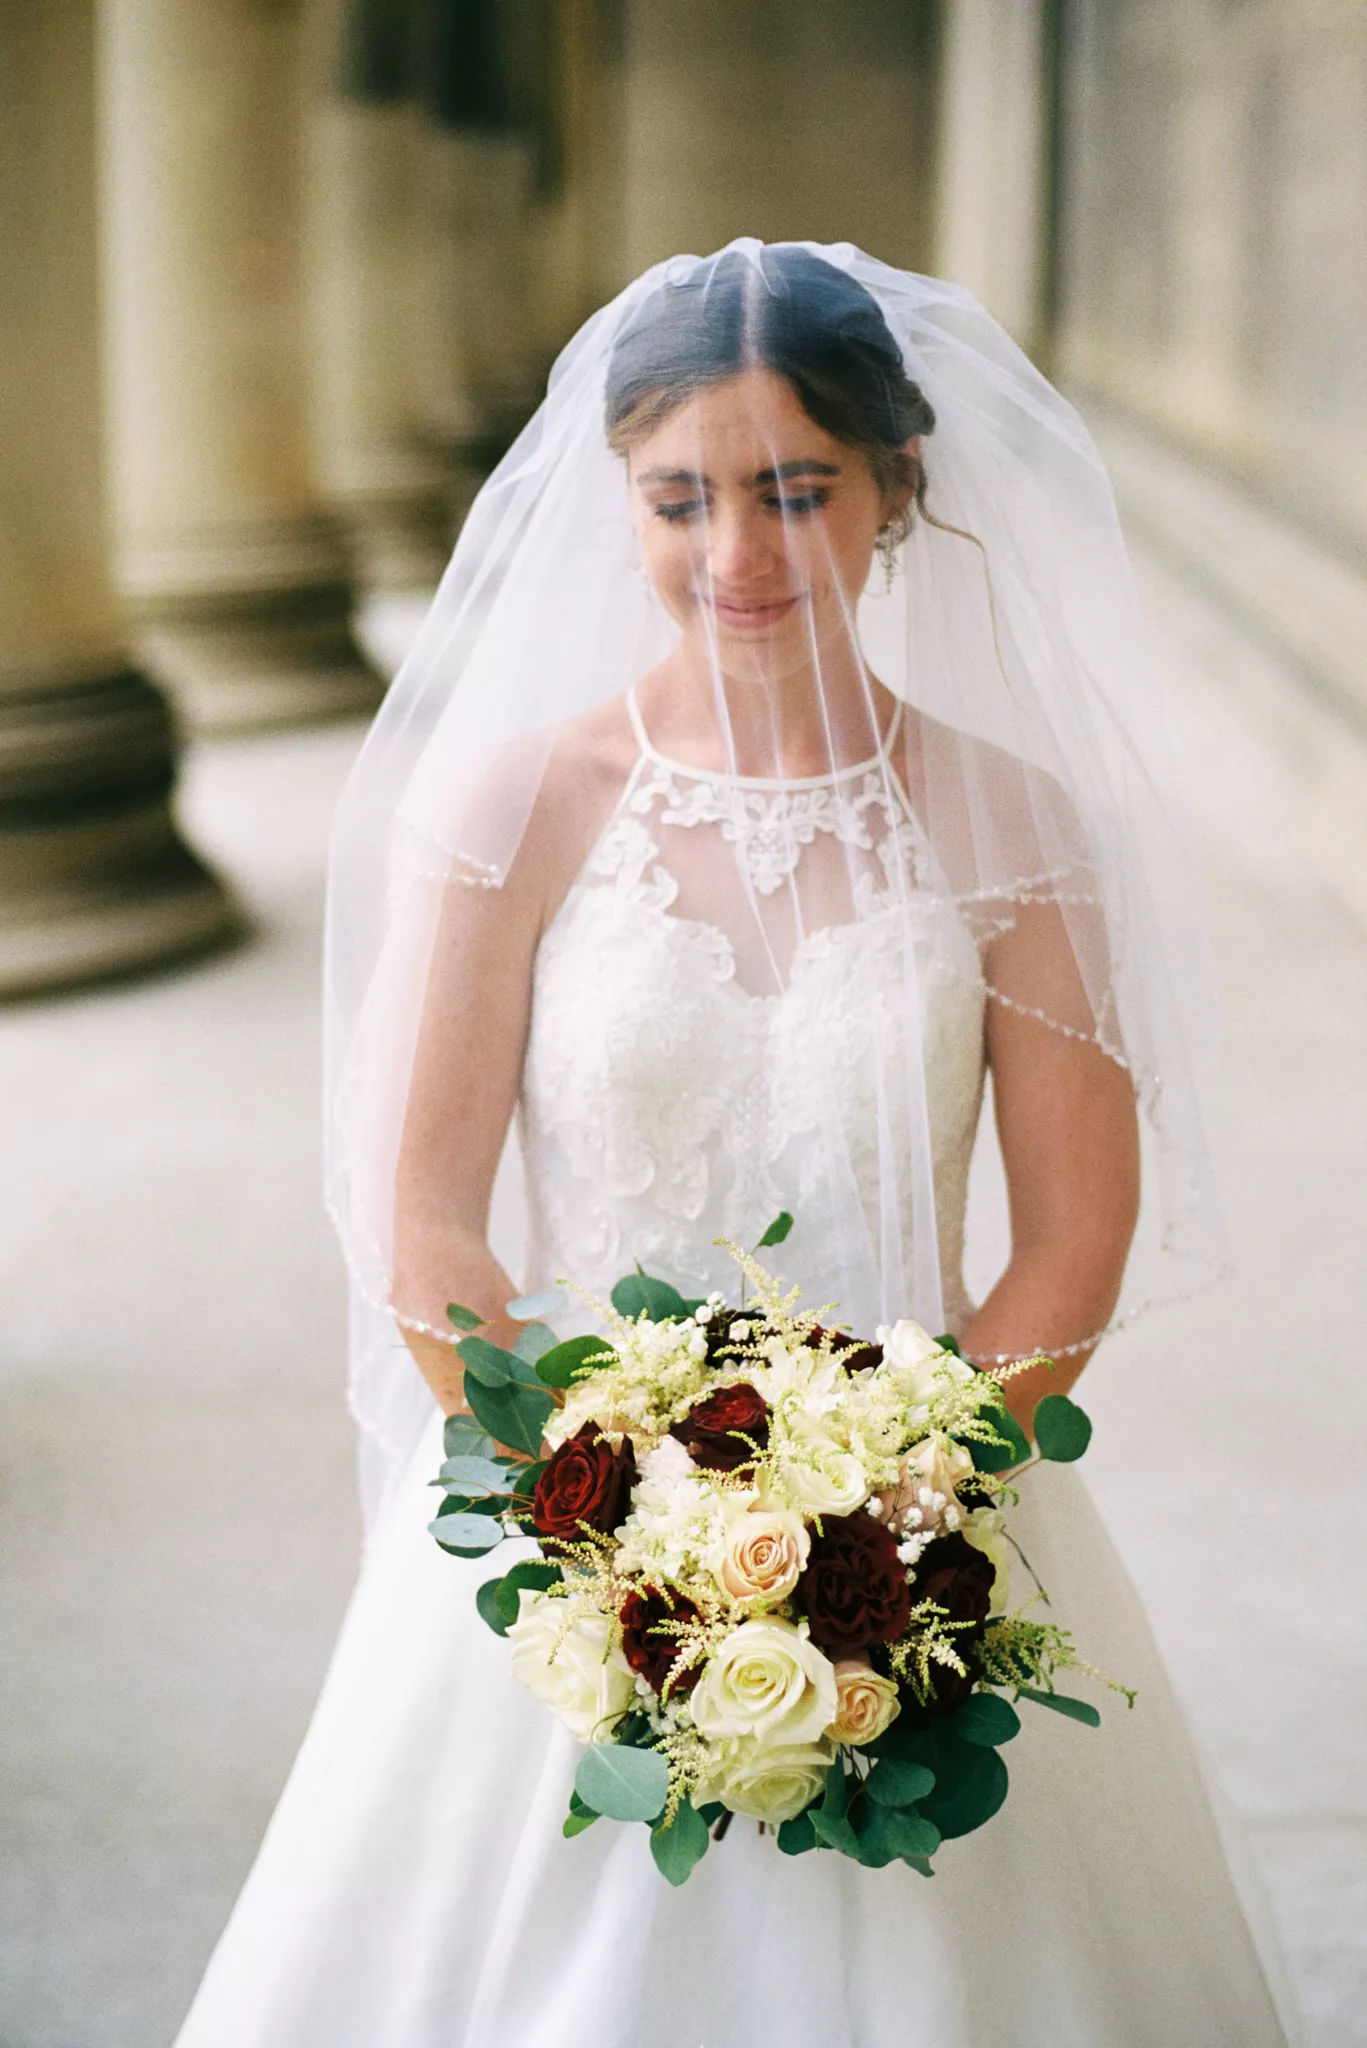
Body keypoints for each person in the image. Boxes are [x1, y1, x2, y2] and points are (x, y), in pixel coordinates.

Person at [174, 243, 1292, 2046]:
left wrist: (893, 1524)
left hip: (933, 1529)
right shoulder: (512, 804)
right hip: (575, 1538)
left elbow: (1072, 1240)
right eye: (679, 499)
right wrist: (619, 1536)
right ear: (616, 497)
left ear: (896, 487)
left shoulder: (1010, 813)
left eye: (795, 491)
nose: (738, 556)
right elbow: (426, 1233)